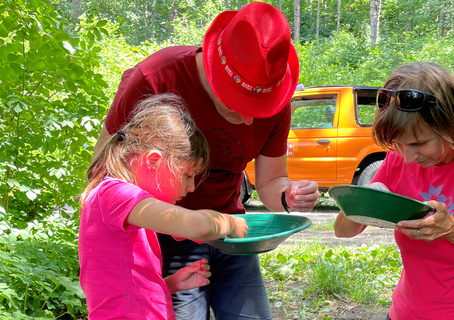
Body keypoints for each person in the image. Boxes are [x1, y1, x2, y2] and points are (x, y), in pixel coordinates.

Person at [92, 2, 320, 319]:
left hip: (236, 241)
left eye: (260, 108)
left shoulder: (274, 97)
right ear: (213, 73)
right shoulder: (155, 79)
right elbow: (104, 170)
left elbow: (269, 181)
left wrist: (286, 196)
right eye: (237, 105)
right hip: (164, 232)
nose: (248, 122)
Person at [79, 94, 248, 320]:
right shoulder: (115, 194)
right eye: (187, 175)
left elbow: (121, 291)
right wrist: (228, 221)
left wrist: (168, 284)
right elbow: (198, 226)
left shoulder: (127, 209)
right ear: (153, 161)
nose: (191, 187)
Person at [334, 62, 454, 319]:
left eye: (419, 143)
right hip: (404, 312)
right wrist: (363, 198)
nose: (408, 158)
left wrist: (452, 229)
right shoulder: (397, 158)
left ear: (452, 124)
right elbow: (343, 231)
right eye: (398, 144)